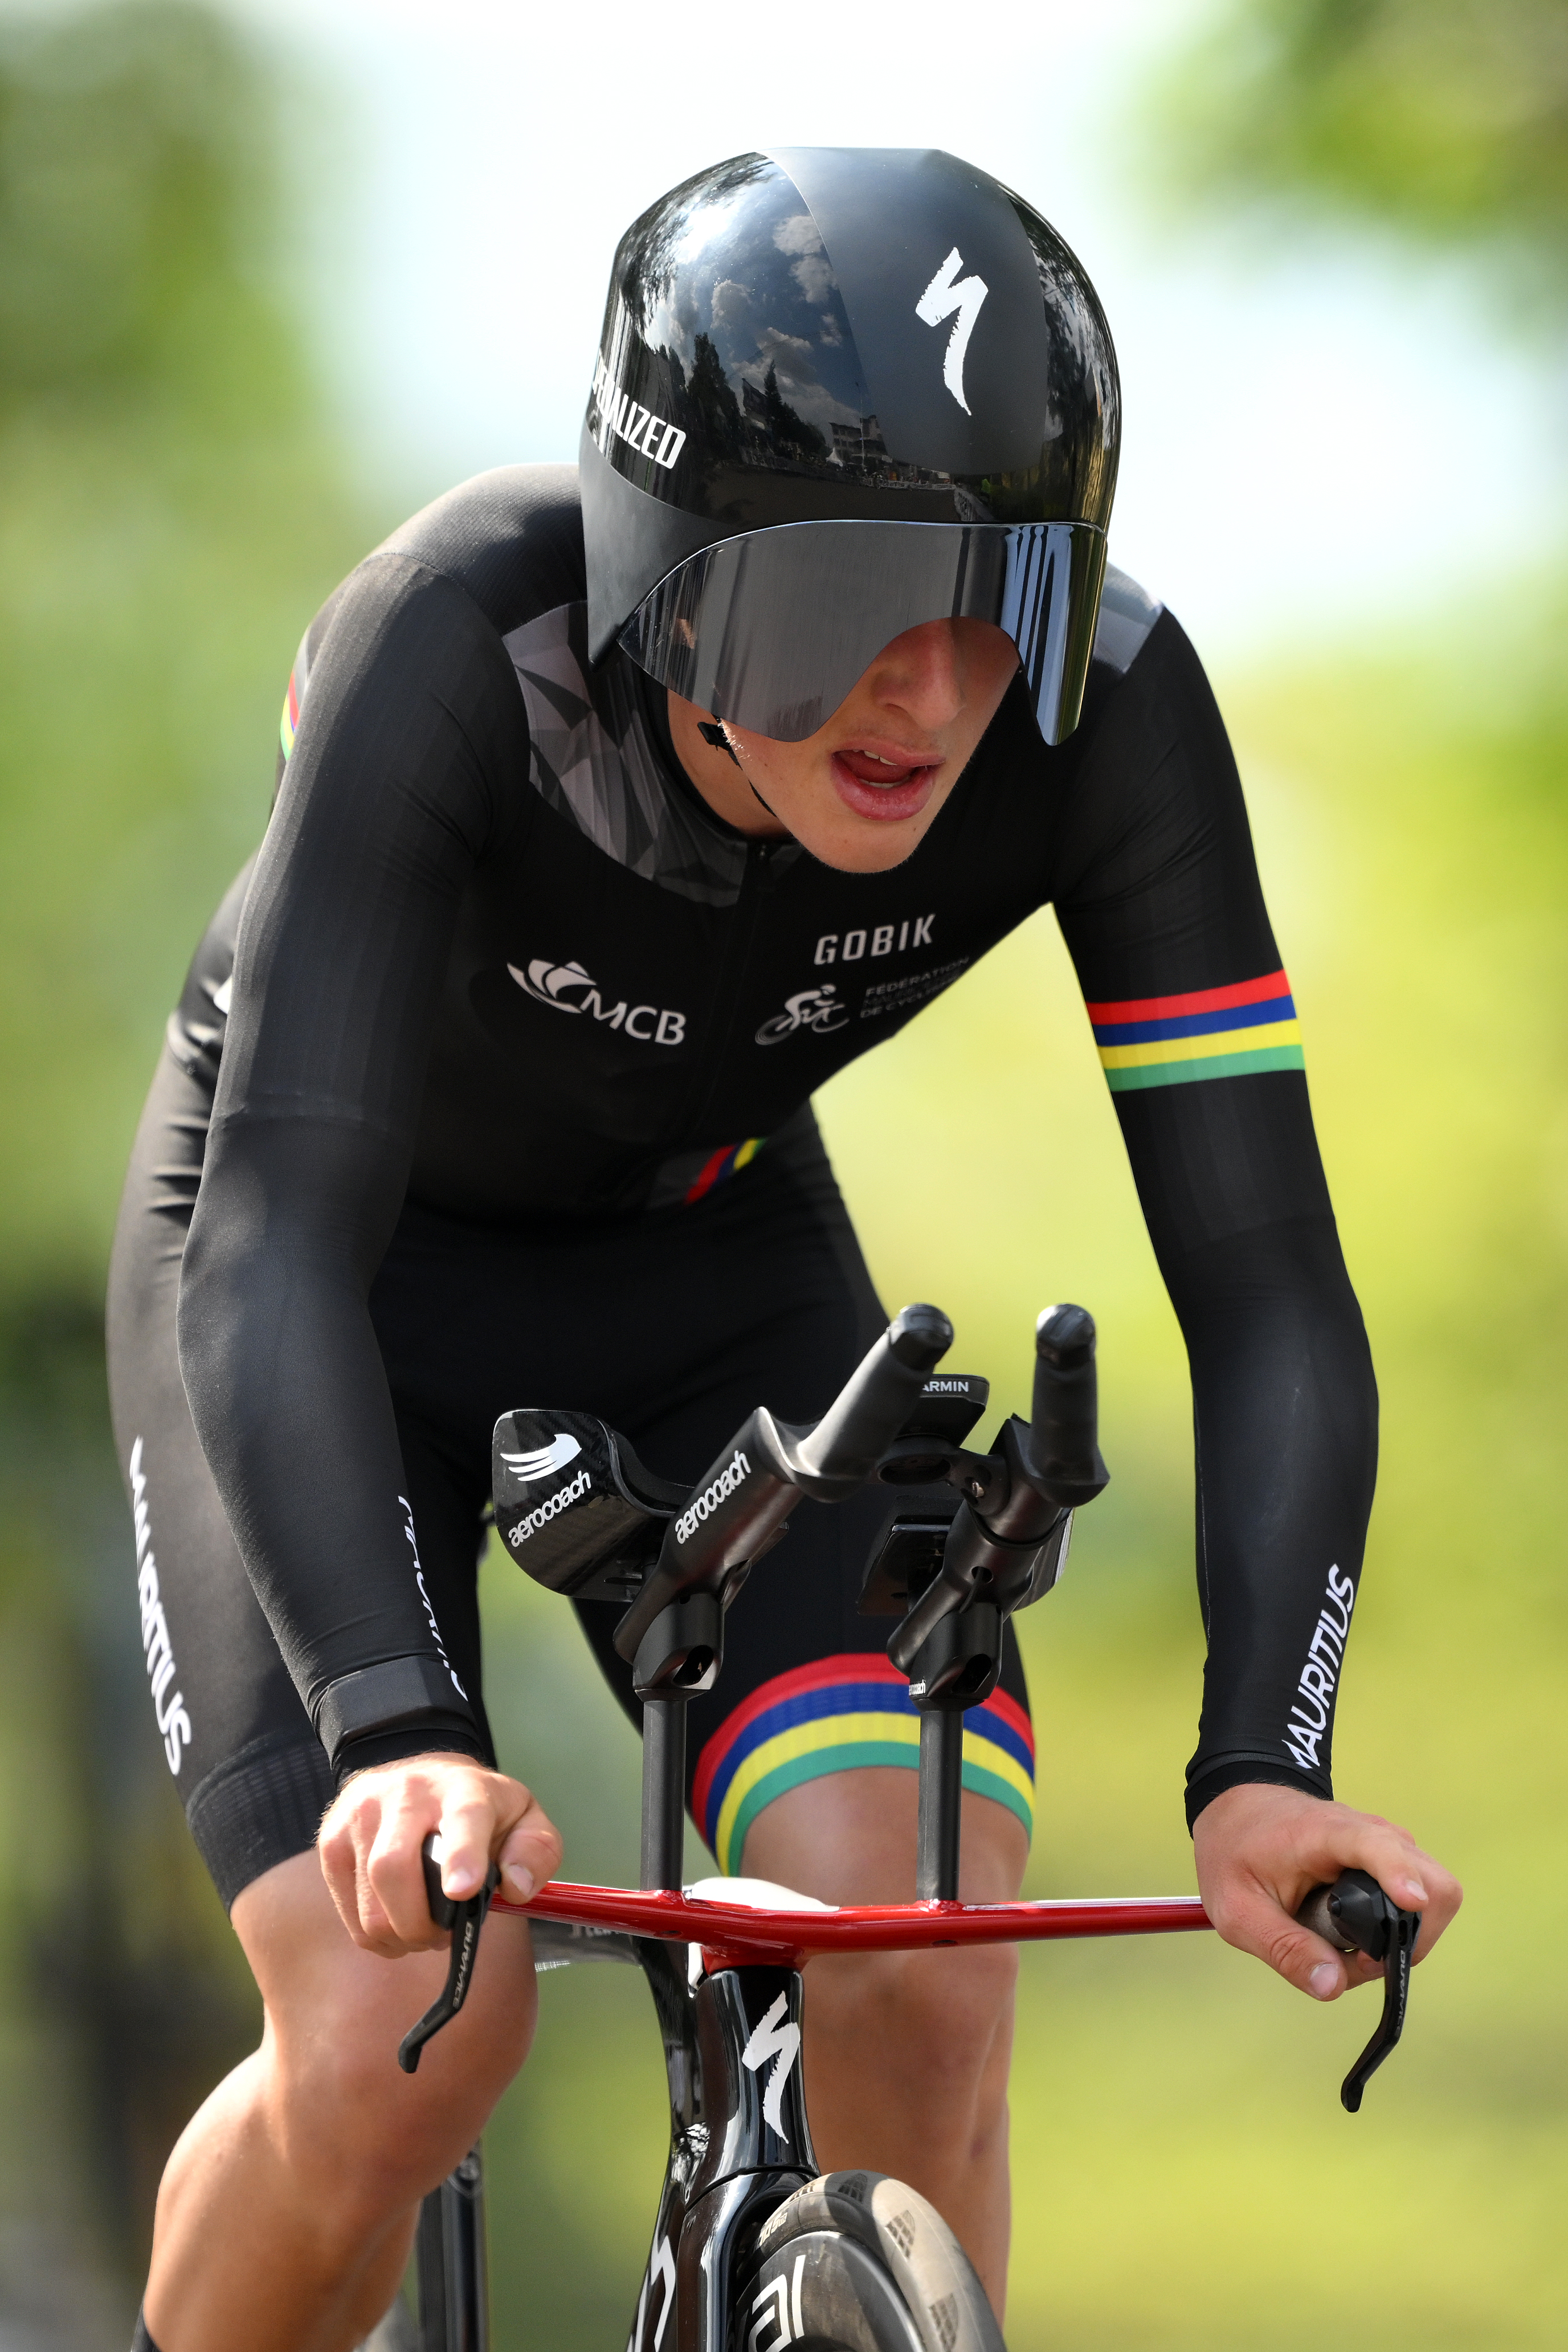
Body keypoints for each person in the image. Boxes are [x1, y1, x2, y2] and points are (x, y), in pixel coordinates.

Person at [106, 146, 1460, 2352]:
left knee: (909, 1957)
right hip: (310, 1277)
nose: (923, 696)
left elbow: (1269, 1287)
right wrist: (396, 1730)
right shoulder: (460, 637)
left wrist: (1259, 1762)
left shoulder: (1110, 715)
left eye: (992, 598)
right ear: (665, 577)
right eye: (836, 613)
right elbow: (269, 1229)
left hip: (709, 1272)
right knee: (397, 2037)